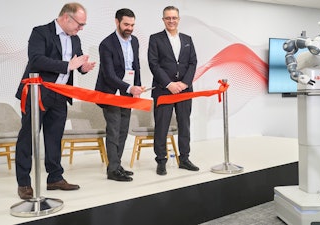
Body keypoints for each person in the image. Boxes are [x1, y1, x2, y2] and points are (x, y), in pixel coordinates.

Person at [15, 2, 96, 200]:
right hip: (37, 93)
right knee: (28, 137)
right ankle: (24, 183)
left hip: (60, 95)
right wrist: (68, 65)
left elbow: (75, 65)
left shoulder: (75, 38)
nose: (81, 28)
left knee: (54, 137)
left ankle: (55, 178)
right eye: (80, 24)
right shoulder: (41, 32)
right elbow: (36, 60)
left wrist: (82, 68)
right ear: (67, 18)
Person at [148, 6, 199, 175]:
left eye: (174, 18)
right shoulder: (155, 39)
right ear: (163, 20)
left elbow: (192, 63)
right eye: (168, 18)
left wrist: (184, 83)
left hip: (185, 90)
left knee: (184, 125)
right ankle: (161, 161)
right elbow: (153, 64)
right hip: (164, 90)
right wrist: (169, 84)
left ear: (179, 19)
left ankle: (184, 158)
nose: (171, 21)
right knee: (161, 126)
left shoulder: (187, 39)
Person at [95, 8, 144, 182]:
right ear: (117, 22)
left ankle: (116, 165)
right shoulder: (106, 44)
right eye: (126, 24)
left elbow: (135, 65)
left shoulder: (135, 41)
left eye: (132, 25)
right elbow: (109, 75)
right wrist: (130, 87)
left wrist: (136, 86)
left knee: (123, 130)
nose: (129, 28)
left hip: (128, 93)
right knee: (114, 130)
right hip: (111, 93)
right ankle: (113, 170)